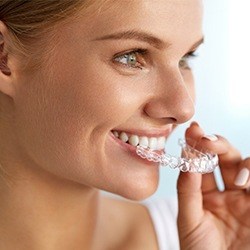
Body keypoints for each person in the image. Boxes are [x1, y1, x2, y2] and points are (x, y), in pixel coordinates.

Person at [0, 0, 249, 249]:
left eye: (185, 59)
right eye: (131, 57)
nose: (183, 109)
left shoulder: (208, 235)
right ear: (4, 55)